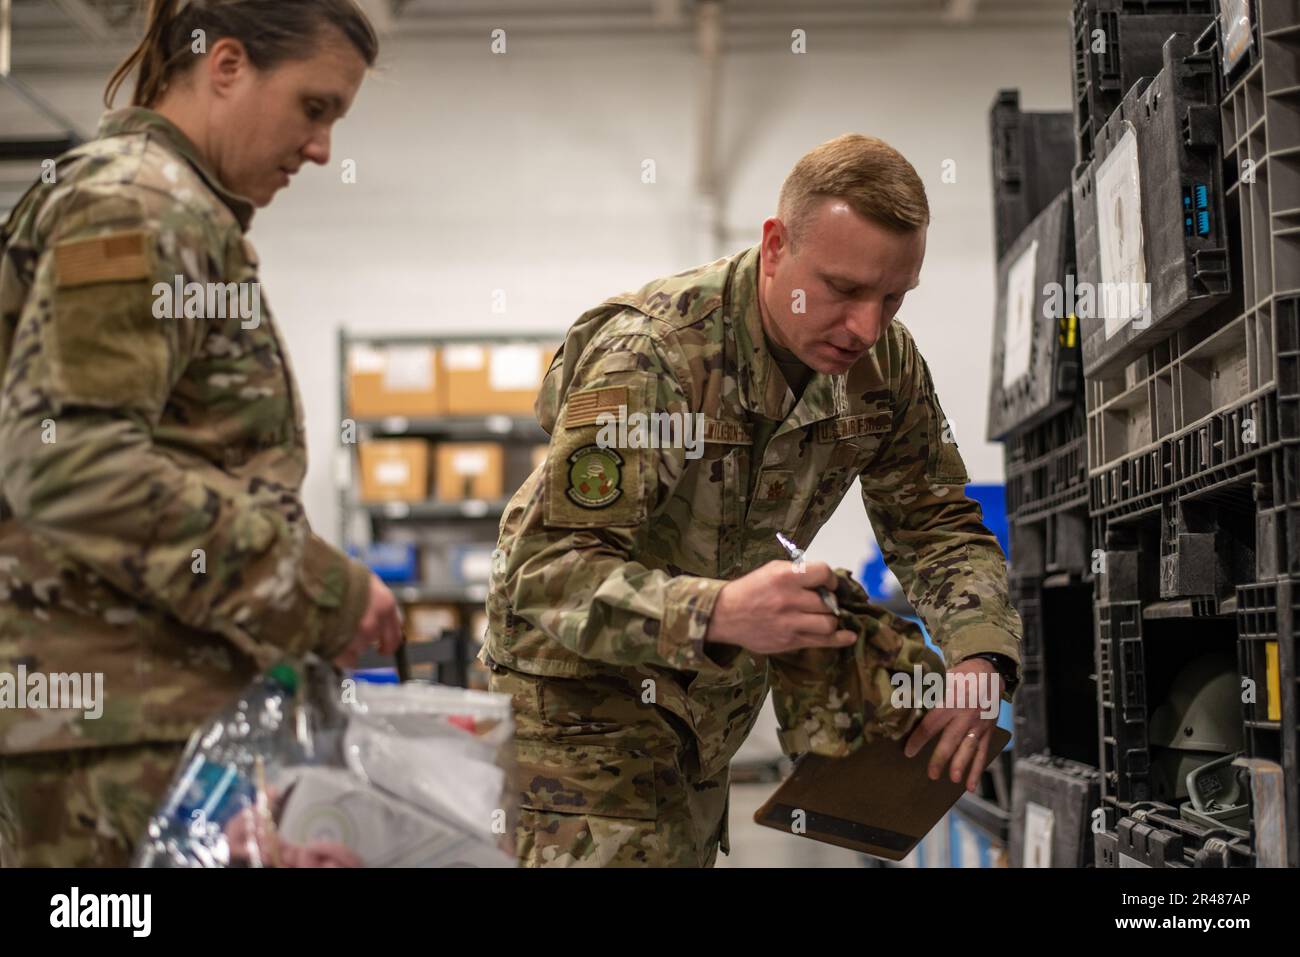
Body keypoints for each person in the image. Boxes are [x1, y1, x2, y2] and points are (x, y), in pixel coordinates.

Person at [484, 133, 1024, 867]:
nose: (867, 326)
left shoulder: (884, 366)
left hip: (708, 703)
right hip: (580, 708)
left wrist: (978, 653)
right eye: (842, 289)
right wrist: (720, 612)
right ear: (776, 247)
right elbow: (543, 570)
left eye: (893, 296)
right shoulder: (657, 357)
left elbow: (935, 524)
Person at [0, 0, 402, 867]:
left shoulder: (170, 210)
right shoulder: (137, 206)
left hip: (138, 726)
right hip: (106, 741)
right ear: (225, 66)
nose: (323, 148)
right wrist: (321, 590)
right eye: (314, 107)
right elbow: (71, 462)